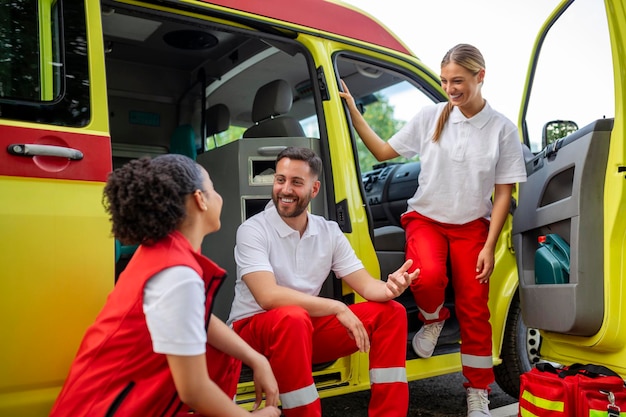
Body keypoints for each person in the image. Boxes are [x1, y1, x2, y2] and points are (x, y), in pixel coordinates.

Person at [338, 44, 528, 417]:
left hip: (473, 226)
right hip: (426, 219)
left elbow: (504, 194)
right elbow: (382, 152)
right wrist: (354, 112)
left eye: (457, 80)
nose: (450, 89)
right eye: (444, 81)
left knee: (475, 308)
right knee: (425, 277)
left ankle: (478, 391)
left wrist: (489, 246)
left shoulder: (502, 130)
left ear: (480, 76)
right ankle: (433, 318)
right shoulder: (431, 117)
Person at [50, 154, 280, 417]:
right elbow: (194, 390)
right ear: (199, 199)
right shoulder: (177, 274)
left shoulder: (164, 254)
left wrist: (255, 358)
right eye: (213, 189)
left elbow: (200, 319)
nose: (220, 197)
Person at [227, 146, 418, 417]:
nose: (285, 189)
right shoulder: (253, 230)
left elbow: (366, 286)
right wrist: (337, 307)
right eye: (280, 179)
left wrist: (389, 288)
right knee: (292, 318)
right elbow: (267, 297)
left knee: (392, 313)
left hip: (303, 330)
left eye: (296, 182)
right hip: (252, 331)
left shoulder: (328, 231)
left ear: (314, 189)